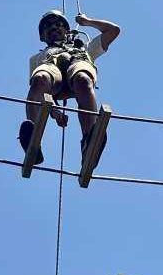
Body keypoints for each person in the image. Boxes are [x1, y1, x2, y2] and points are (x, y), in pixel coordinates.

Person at [18, 9, 121, 165]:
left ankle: (89, 140)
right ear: (42, 36)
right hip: (53, 78)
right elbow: (40, 93)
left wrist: (87, 22)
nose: (53, 27)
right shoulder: (36, 59)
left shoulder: (85, 48)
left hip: (77, 70)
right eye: (47, 26)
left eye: (58, 24)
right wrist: (53, 110)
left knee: (83, 79)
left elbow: (113, 30)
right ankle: (33, 140)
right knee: (39, 78)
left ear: (67, 30)